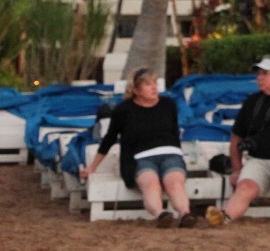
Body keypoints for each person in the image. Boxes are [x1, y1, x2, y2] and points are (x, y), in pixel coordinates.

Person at [80, 68, 197, 228]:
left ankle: (185, 214)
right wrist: (92, 167)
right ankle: (161, 214)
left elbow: (174, 134)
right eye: (148, 84)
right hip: (140, 158)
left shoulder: (168, 105)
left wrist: (178, 153)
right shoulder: (123, 110)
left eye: (154, 83)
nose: (154, 88)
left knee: (175, 183)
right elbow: (109, 139)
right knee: (151, 184)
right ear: (135, 90)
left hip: (170, 152)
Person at [206, 54, 270, 227]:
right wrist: (236, 169)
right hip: (259, 159)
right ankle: (225, 217)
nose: (259, 78)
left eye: (265, 73)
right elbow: (236, 137)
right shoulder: (252, 101)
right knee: (244, 187)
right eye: (259, 73)